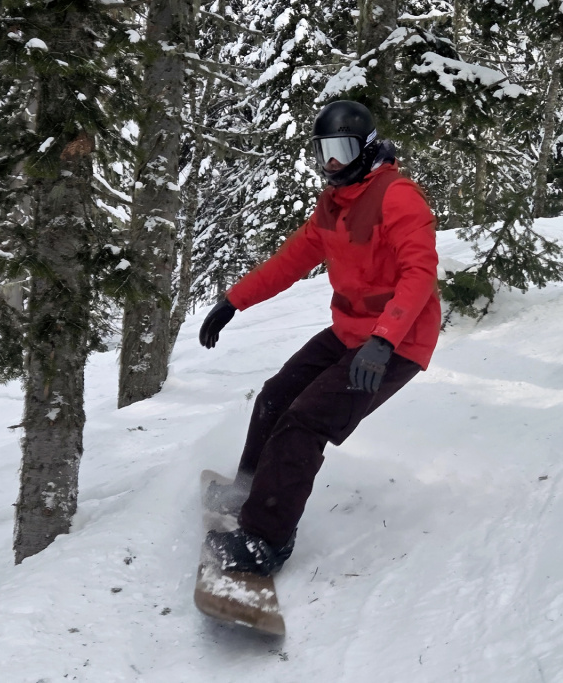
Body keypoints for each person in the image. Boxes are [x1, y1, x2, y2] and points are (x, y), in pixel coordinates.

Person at [197, 100, 441, 577]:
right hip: (351, 330)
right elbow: (292, 259)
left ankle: (267, 539)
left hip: (395, 343)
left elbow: (420, 272)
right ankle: (250, 488)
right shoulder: (333, 203)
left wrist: (384, 339)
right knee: (276, 395)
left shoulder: (397, 196)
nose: (332, 161)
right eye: (325, 151)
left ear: (366, 149)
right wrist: (234, 300)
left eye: (342, 150)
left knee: (305, 423)